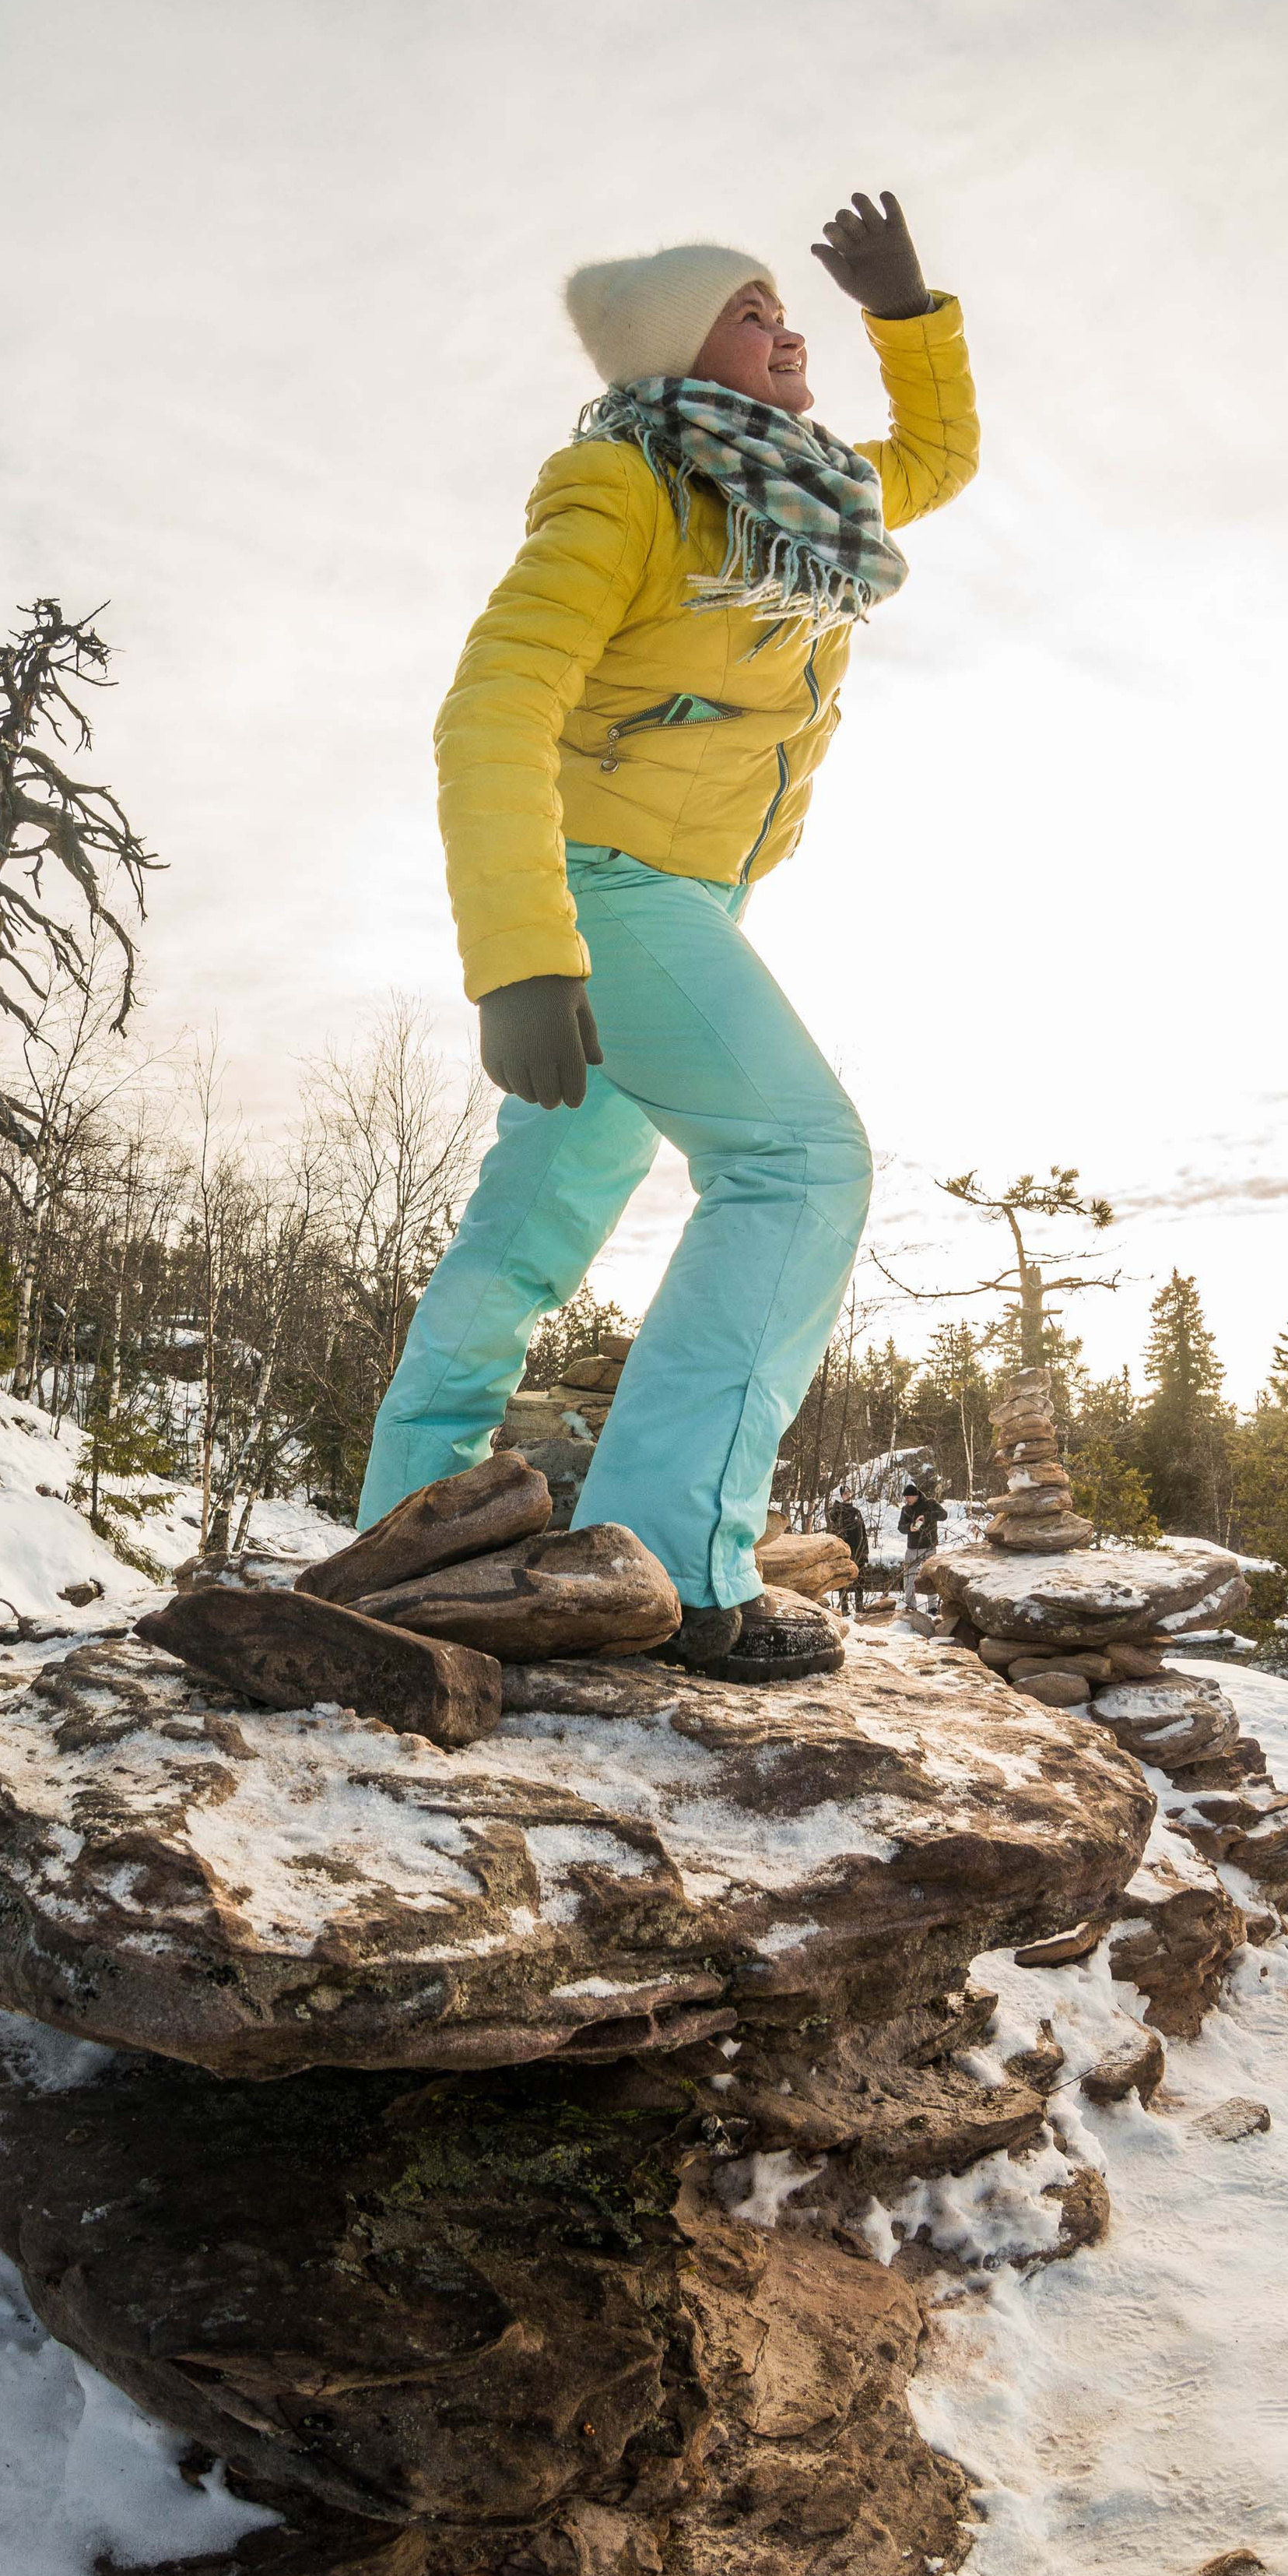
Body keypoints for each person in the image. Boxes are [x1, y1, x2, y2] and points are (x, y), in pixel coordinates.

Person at [359, 192, 977, 1685]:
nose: (788, 328)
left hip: (693, 899)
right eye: (752, 311)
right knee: (799, 1162)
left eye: (787, 307)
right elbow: (493, 710)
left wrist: (911, 318)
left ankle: (406, 1534)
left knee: (534, 1229)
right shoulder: (620, 489)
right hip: (599, 890)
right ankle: (682, 1569)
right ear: (677, 356)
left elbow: (937, 461)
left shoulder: (799, 494)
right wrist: (521, 956)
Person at [897, 1481, 946, 1612]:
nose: (907, 1500)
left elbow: (944, 1515)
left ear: (916, 1496)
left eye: (908, 1497)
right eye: (905, 1498)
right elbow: (900, 1527)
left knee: (931, 1576)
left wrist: (927, 1518)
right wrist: (909, 1528)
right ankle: (910, 1604)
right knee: (908, 1576)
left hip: (929, 1546)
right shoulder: (905, 1509)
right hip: (912, 1547)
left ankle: (932, 1606)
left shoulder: (930, 1504)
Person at [824, 1487, 870, 1614]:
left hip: (859, 1550)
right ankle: (844, 1608)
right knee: (843, 1579)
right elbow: (833, 1524)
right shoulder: (837, 1512)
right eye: (845, 1494)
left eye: (849, 1493)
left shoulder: (857, 1512)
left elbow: (863, 1533)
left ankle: (859, 1607)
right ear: (841, 1496)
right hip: (845, 1552)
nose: (848, 1495)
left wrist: (865, 1551)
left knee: (860, 1580)